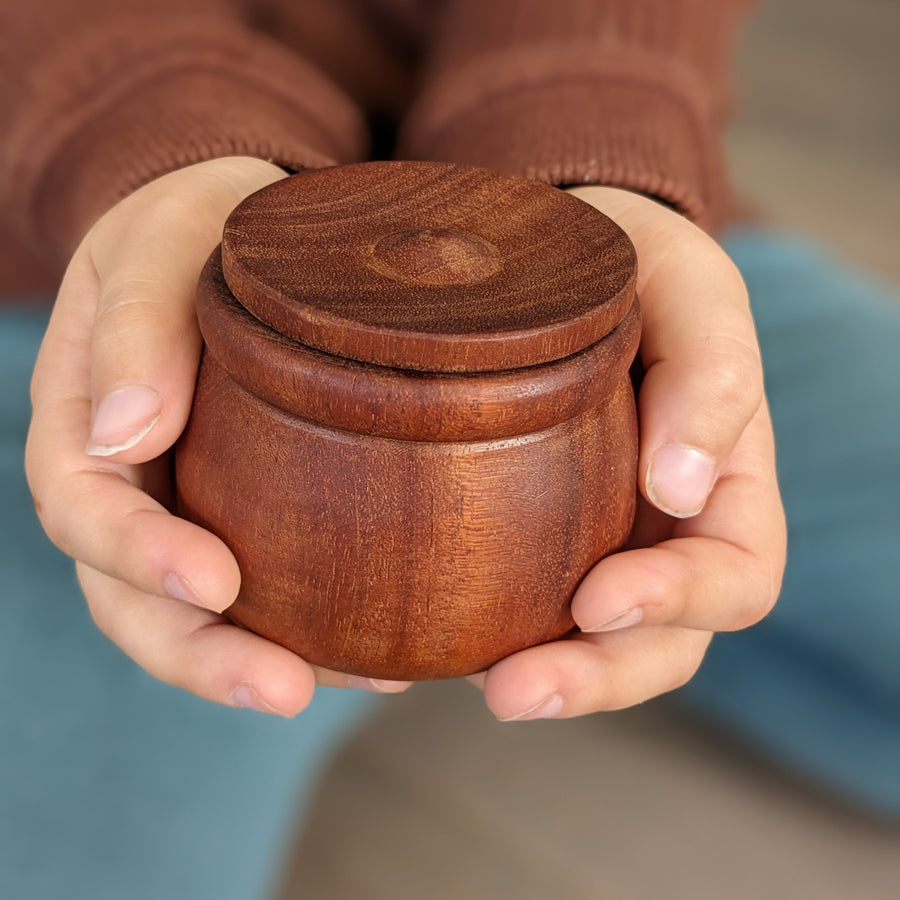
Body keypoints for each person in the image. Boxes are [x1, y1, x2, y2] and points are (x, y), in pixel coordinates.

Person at [0, 1, 895, 898]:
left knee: (718, 541)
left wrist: (588, 132)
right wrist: (135, 119)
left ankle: (629, 595)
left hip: (598, 262)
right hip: (115, 256)